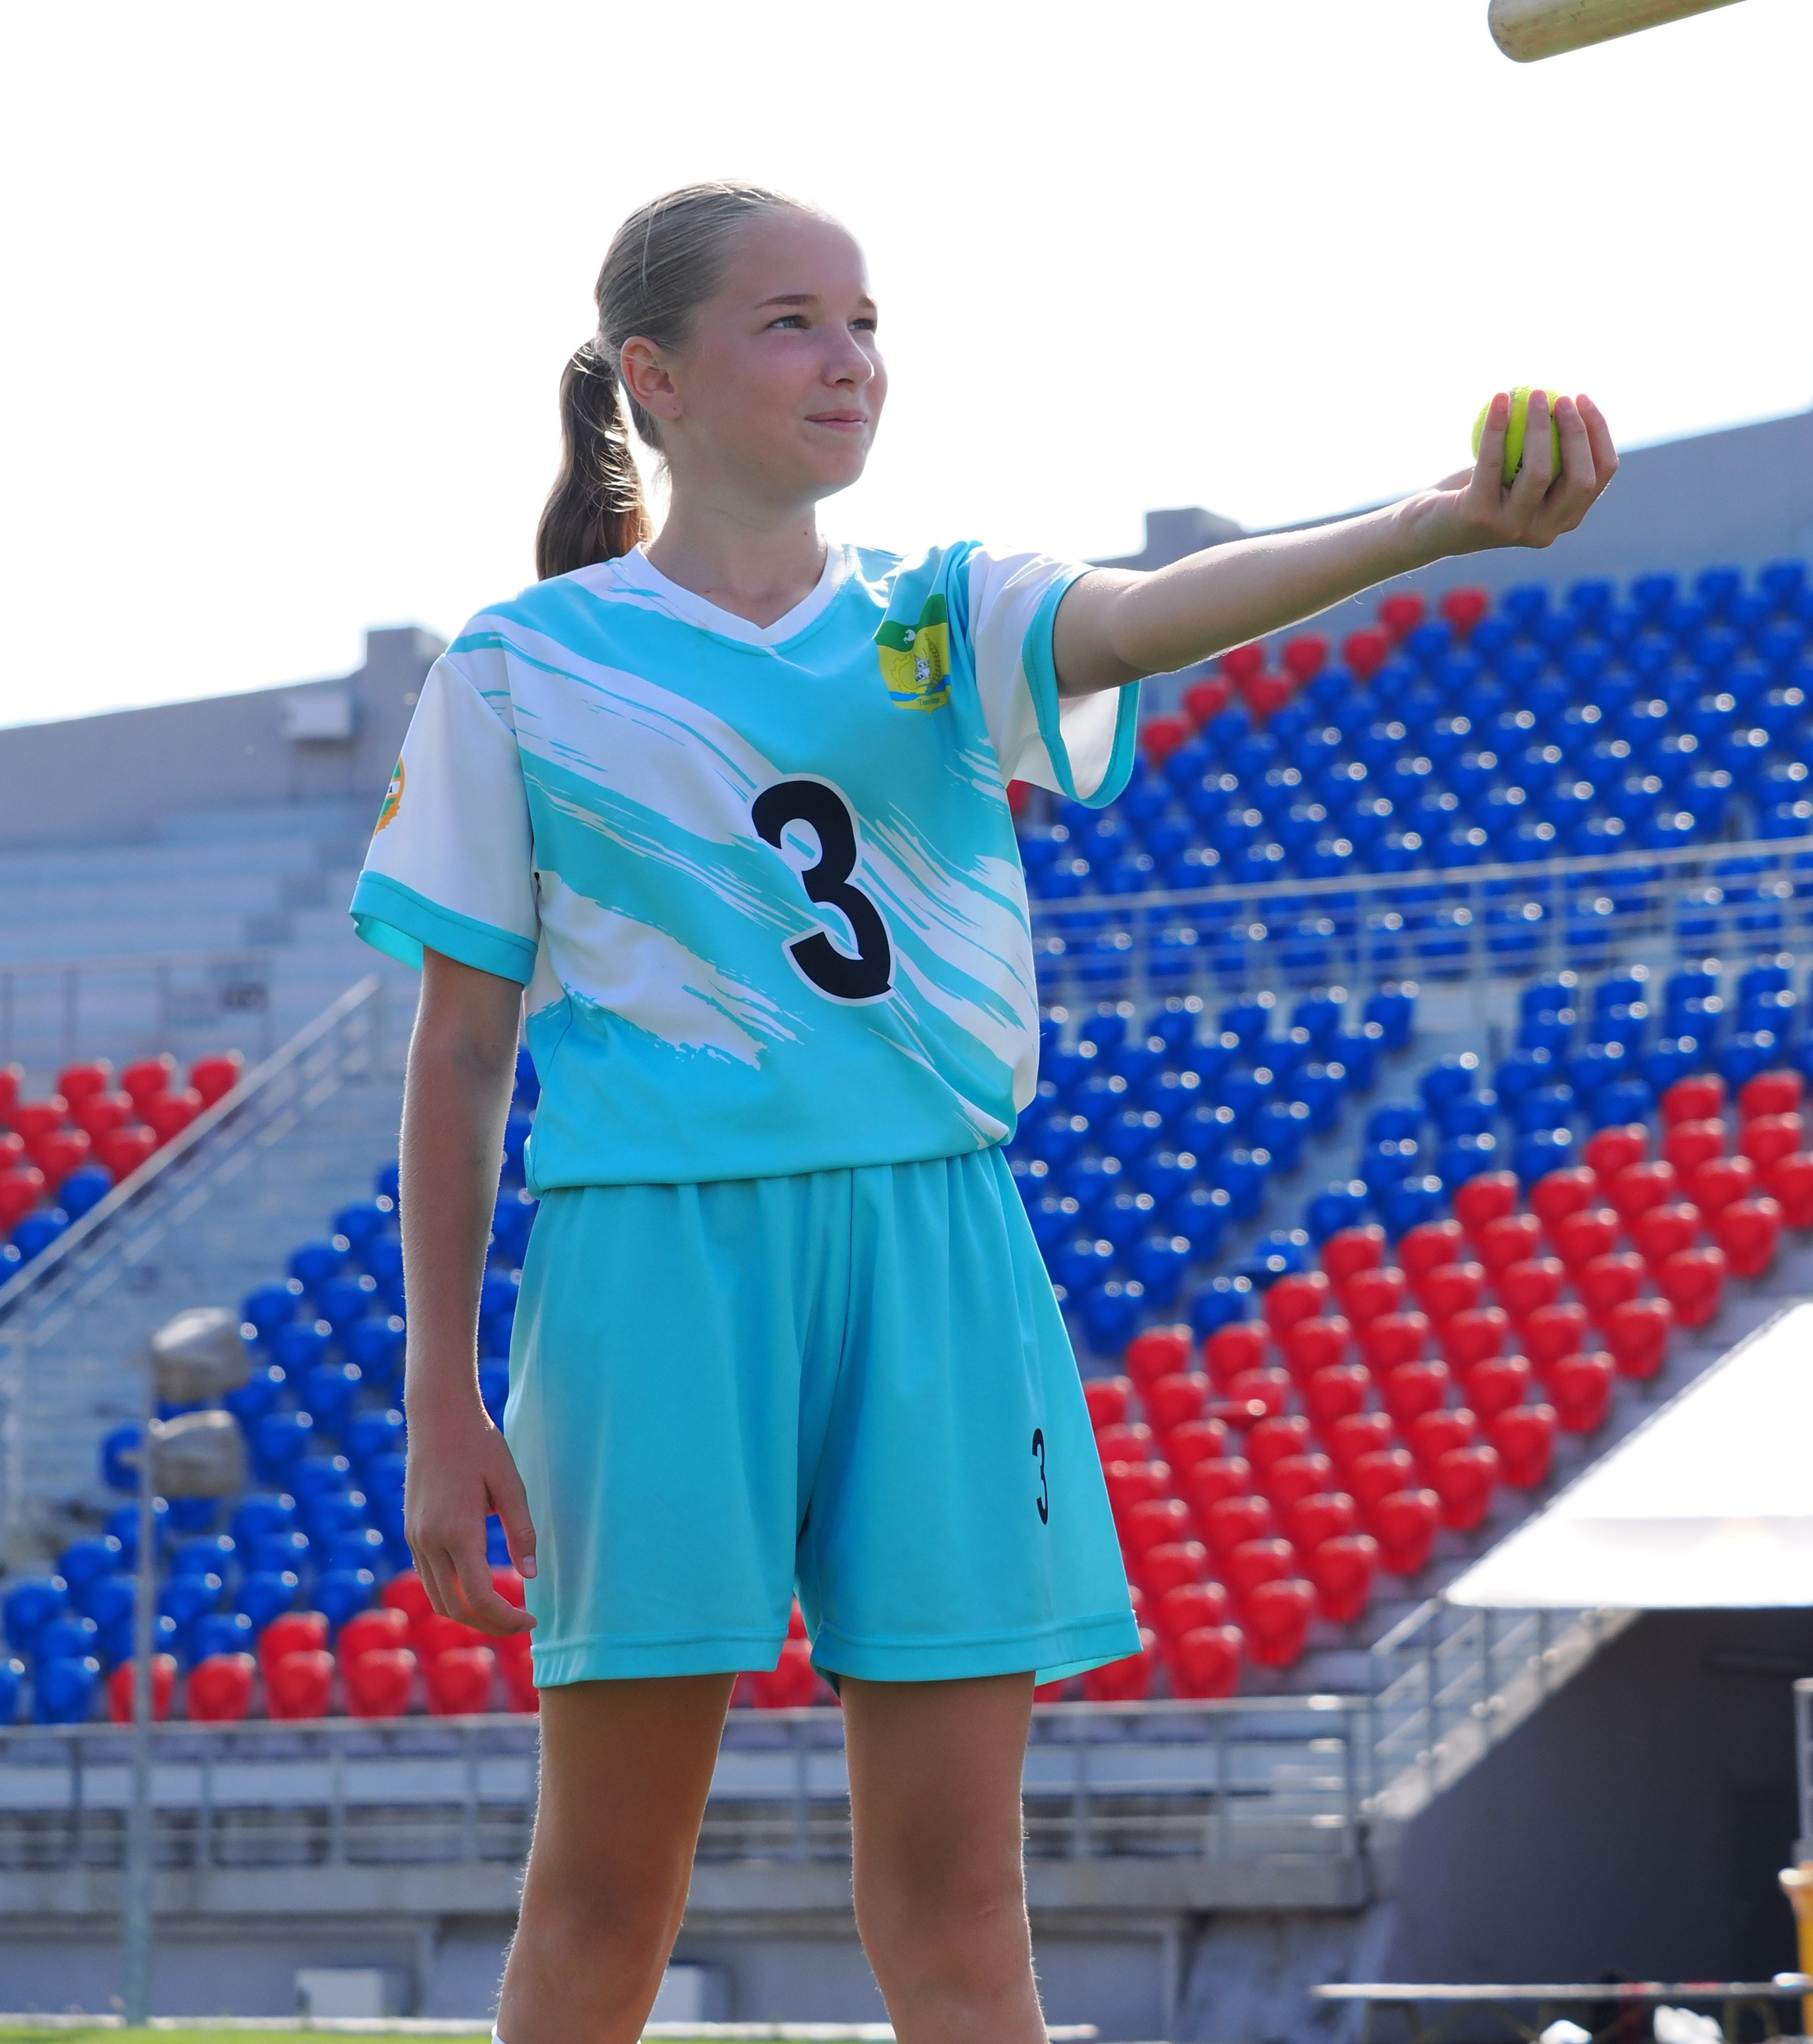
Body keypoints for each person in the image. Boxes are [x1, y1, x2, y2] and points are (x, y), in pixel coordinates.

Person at [350, 178, 1618, 2044]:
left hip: (936, 1251)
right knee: (604, 1896)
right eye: (792, 321)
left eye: (866, 321)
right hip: (651, 1271)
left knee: (961, 1900)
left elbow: (1158, 613)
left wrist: (1434, 521)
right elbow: (458, 1056)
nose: (849, 359)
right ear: (654, 375)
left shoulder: (941, 612)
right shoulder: (518, 667)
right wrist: (441, 1399)